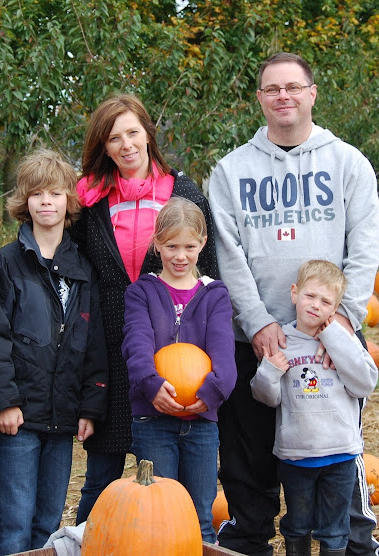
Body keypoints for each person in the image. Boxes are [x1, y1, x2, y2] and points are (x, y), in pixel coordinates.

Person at [208, 52, 379, 556]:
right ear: (260, 99)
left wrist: (342, 320)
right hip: (258, 338)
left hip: (330, 338)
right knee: (249, 453)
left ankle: (353, 541)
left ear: (311, 93)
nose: (283, 96)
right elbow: (227, 253)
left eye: (292, 87)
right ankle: (250, 539)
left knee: (335, 446)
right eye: (272, 89)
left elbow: (365, 243)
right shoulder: (231, 171)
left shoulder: (348, 163)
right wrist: (257, 321)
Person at [70, 94, 219, 524]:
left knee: (170, 486)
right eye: (114, 138)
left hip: (172, 356)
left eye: (133, 132)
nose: (126, 145)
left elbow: (207, 273)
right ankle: (91, 543)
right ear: (103, 146)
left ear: (148, 134)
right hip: (110, 352)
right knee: (101, 475)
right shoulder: (90, 202)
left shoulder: (182, 193)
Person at [0, 149, 108, 555]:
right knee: (13, 520)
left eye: (54, 193)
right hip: (17, 418)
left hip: (63, 417)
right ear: (24, 201)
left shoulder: (83, 269)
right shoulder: (5, 264)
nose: (46, 202)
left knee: (48, 522)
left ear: (69, 200)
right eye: (36, 194)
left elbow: (94, 343)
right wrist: (4, 401)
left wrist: (90, 407)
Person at [121, 197, 237, 542]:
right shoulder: (141, 292)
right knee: (159, 516)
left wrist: (212, 392)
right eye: (171, 246)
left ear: (203, 243)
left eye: (189, 246)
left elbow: (223, 352)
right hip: (153, 420)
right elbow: (136, 342)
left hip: (201, 423)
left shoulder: (214, 295)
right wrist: (150, 383)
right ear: (157, 243)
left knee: (200, 516)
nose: (180, 255)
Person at [250, 260, 379, 556]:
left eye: (325, 301)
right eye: (310, 296)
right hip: (297, 456)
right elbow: (267, 398)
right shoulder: (282, 342)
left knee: (335, 529)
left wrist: (333, 338)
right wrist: (269, 371)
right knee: (297, 525)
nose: (315, 305)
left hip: (339, 454)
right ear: (294, 293)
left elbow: (364, 384)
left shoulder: (344, 341)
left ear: (335, 309)